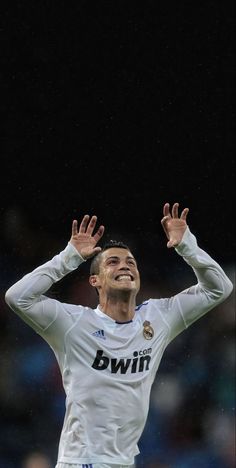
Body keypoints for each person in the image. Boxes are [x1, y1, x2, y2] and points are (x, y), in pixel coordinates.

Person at [5, 202, 233, 468]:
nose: (125, 266)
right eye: (113, 262)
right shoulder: (74, 323)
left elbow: (219, 288)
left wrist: (188, 246)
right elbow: (17, 297)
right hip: (81, 462)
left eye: (130, 262)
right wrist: (69, 257)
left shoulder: (158, 317)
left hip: (124, 462)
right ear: (95, 280)